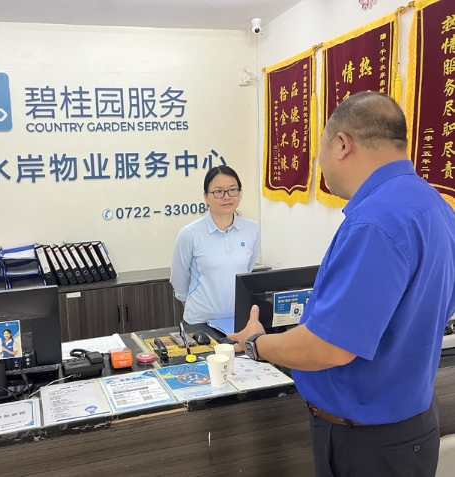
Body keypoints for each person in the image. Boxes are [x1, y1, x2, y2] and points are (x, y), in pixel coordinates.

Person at [229, 91, 455, 477]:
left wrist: (256, 343)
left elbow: (329, 348)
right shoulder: (435, 204)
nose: (320, 163)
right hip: (410, 429)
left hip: (367, 444)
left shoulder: (375, 221)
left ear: (342, 144)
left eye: (320, 150)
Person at [170, 165, 260, 324]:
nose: (227, 197)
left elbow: (247, 269)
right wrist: (192, 306)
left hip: (239, 319)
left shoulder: (252, 229)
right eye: (218, 192)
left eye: (233, 190)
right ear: (206, 196)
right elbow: (179, 277)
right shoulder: (190, 233)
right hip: (200, 321)